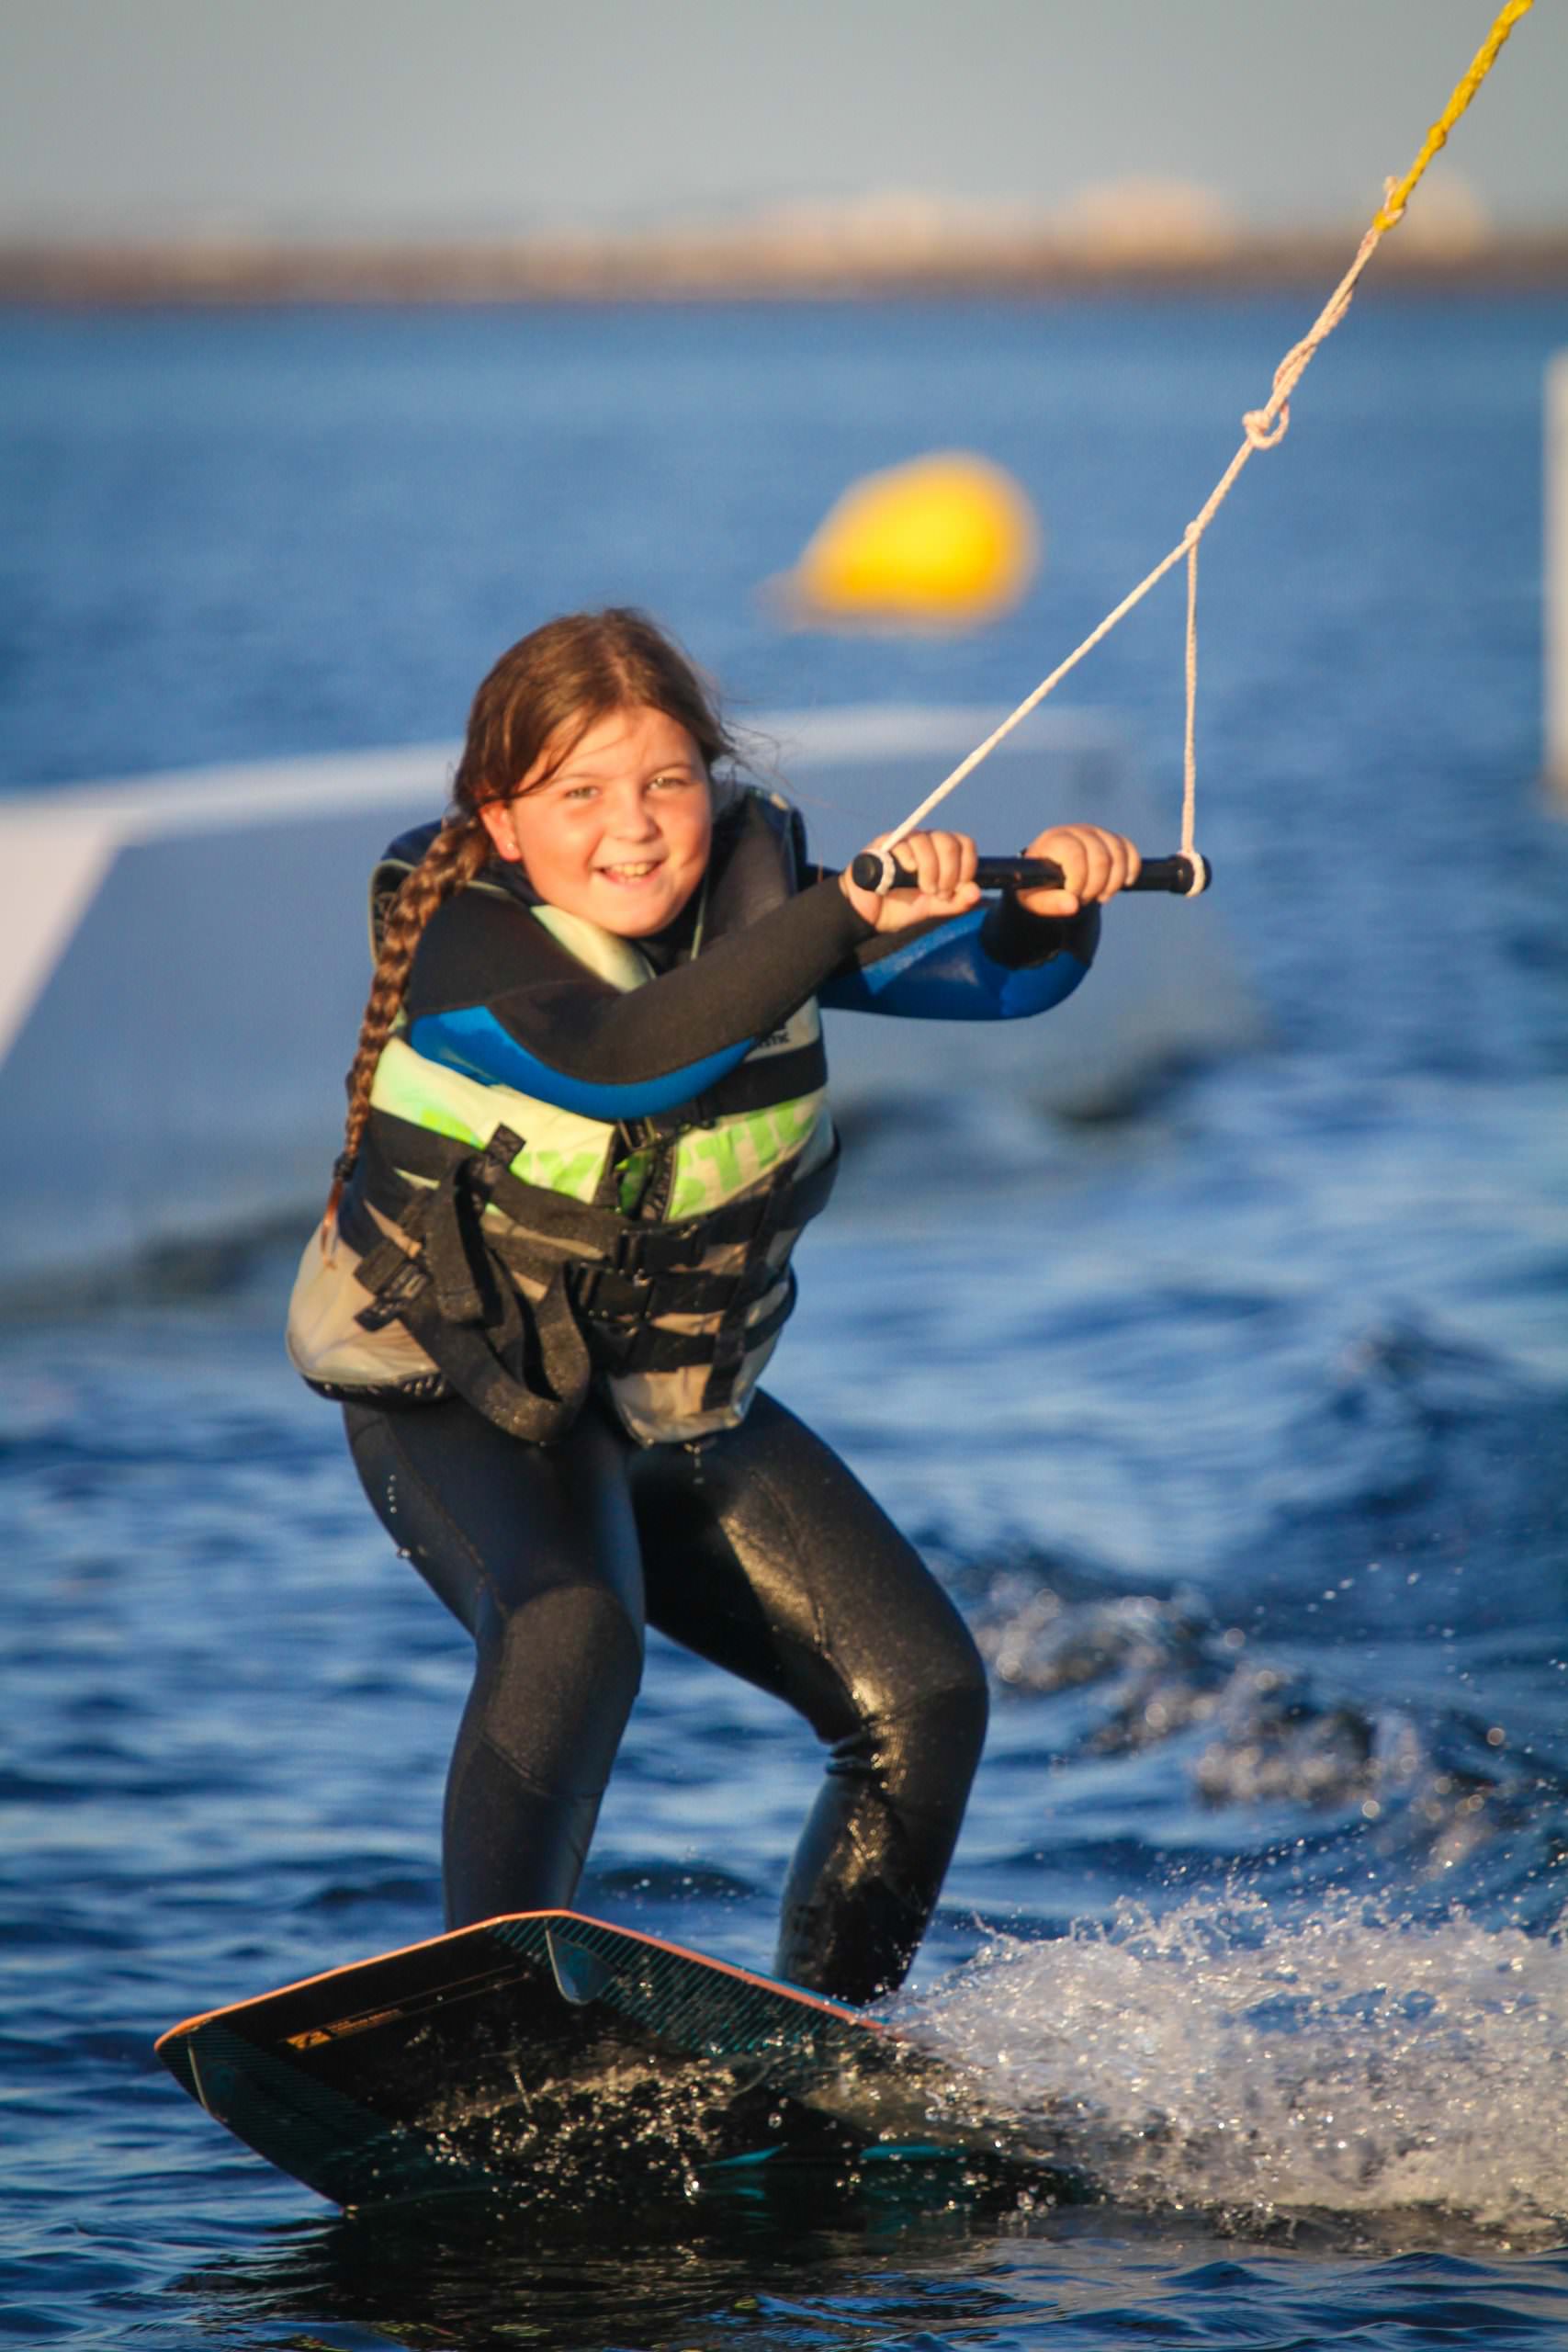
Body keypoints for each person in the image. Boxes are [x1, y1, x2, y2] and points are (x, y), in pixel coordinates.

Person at [286, 608, 1140, 2007]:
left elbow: (990, 984)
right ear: (503, 822)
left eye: (667, 783)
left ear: (712, 786)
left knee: (924, 1699)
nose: (634, 829)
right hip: (461, 1395)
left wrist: (1050, 913)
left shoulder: (757, 908)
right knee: (572, 1628)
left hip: (665, 1404)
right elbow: (630, 1061)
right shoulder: (463, 945)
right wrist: (840, 913)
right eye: (580, 794)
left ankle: (832, 2038)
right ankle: (490, 2019)